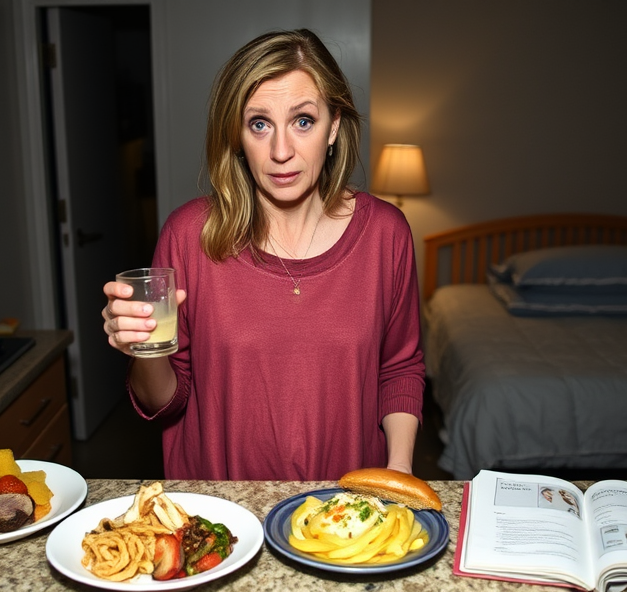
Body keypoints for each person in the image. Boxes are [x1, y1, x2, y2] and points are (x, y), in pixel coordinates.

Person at [101, 28, 425, 480]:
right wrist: (144, 349)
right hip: (222, 520)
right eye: (260, 124)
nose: (281, 151)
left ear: (333, 127)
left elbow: (400, 369)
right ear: (236, 135)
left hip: (348, 520)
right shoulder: (189, 235)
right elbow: (163, 402)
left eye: (303, 121)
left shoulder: (386, 235)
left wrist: (399, 471)